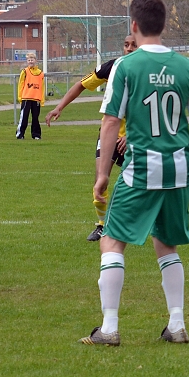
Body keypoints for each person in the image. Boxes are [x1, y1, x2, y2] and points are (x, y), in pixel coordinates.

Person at [81, 0, 189, 346]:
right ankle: (178, 324)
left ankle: (109, 328)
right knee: (166, 245)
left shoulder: (127, 65)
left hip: (141, 170)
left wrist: (103, 173)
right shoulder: (186, 66)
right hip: (176, 171)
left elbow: (110, 123)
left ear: (134, 26)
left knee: (111, 241)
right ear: (164, 25)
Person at [46, 34, 138, 241]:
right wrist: (59, 107)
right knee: (100, 180)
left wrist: (132, 135)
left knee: (140, 184)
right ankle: (102, 226)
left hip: (136, 137)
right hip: (109, 135)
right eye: (126, 45)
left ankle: (138, 223)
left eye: (134, 45)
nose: (129, 49)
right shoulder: (111, 67)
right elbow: (81, 84)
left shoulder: (147, 72)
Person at [16, 53, 45, 140]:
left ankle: (36, 134)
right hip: (26, 98)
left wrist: (42, 100)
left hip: (36, 98)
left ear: (36, 61)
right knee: (24, 117)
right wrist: (20, 97)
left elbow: (42, 87)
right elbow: (21, 84)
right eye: (29, 60)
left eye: (32, 59)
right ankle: (20, 134)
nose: (30, 61)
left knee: (35, 118)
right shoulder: (25, 72)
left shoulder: (40, 73)